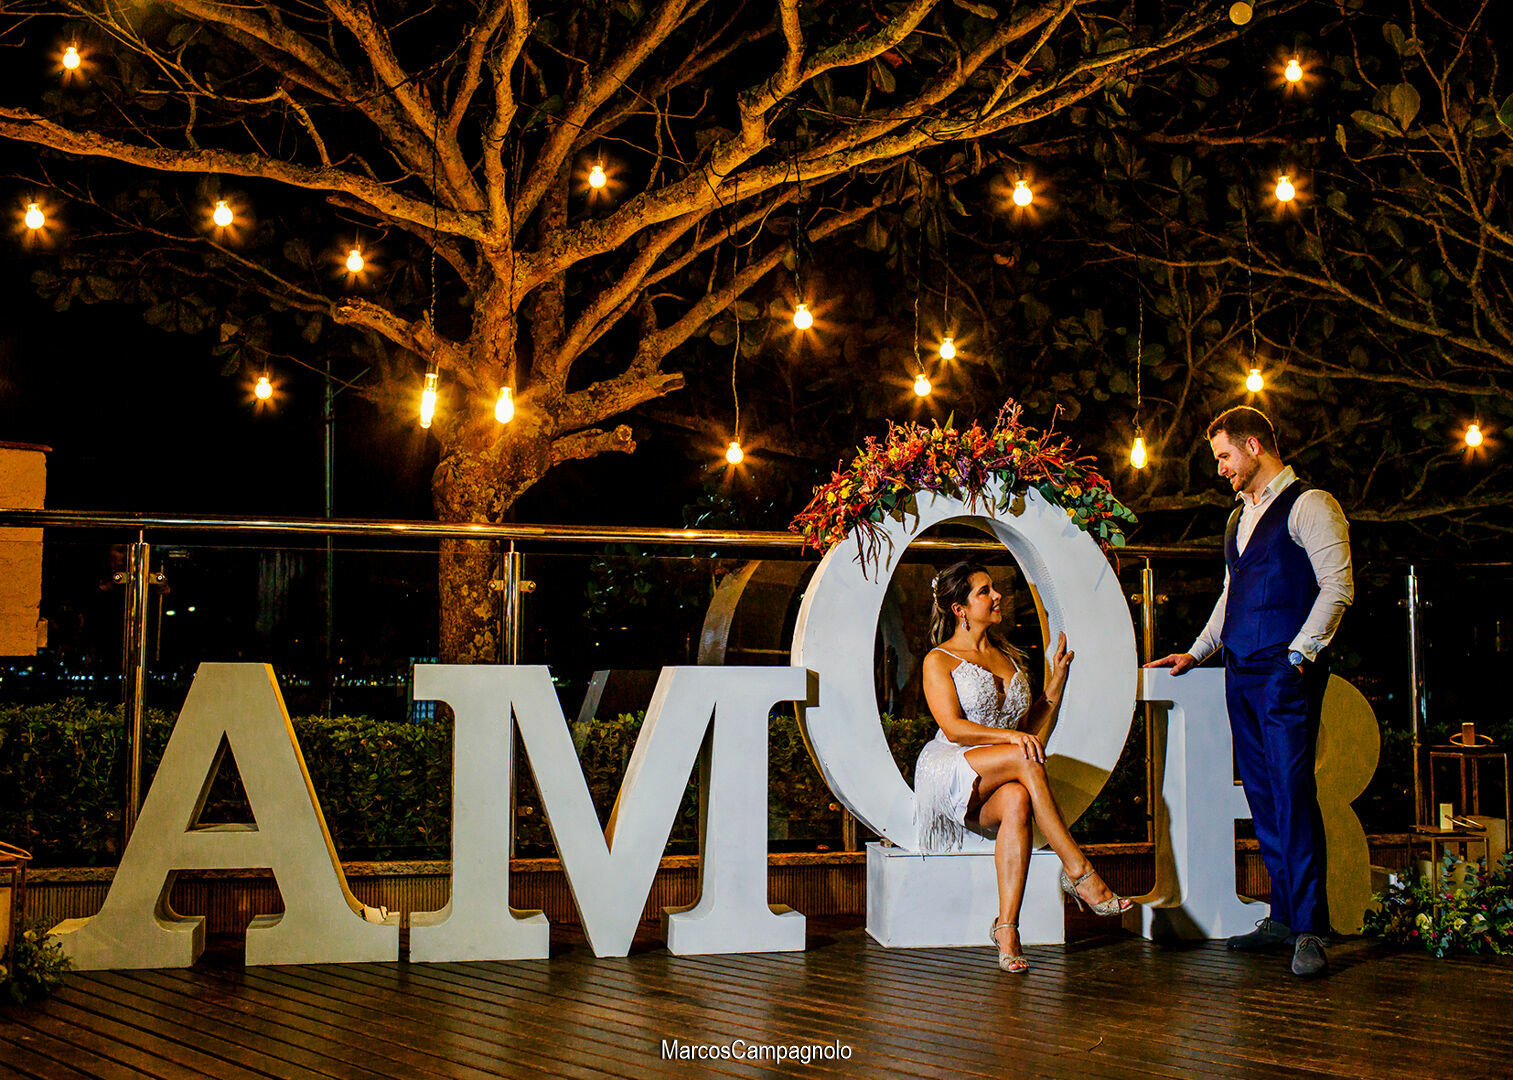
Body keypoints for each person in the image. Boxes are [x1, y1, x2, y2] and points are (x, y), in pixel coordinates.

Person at [1146, 405, 1352, 978]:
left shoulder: (1311, 505)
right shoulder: (1238, 518)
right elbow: (1230, 596)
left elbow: (1338, 588)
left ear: (1255, 446)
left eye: (1224, 456)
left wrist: (1298, 656)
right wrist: (1197, 651)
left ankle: (1311, 927)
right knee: (1263, 797)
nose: (1220, 468)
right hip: (1240, 671)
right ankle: (1283, 917)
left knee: (1292, 793)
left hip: (1286, 672)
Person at [914, 560, 1133, 974]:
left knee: (1016, 799)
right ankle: (1079, 870)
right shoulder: (938, 660)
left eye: (993, 588)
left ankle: (1007, 929)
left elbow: (1028, 729)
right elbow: (955, 728)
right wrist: (1013, 739)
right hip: (951, 767)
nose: (996, 596)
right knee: (1022, 756)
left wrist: (1056, 683)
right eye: (984, 591)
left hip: (1000, 772)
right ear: (959, 609)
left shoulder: (1007, 657)